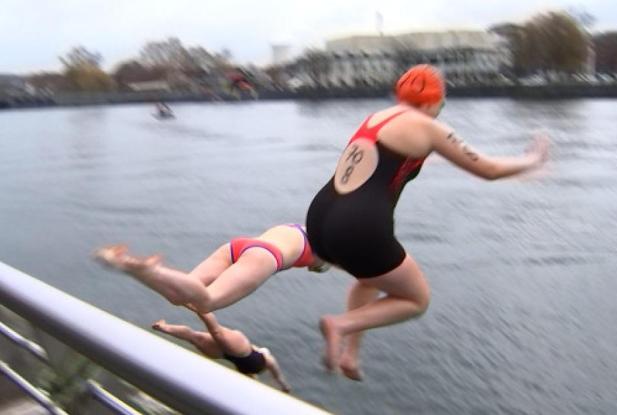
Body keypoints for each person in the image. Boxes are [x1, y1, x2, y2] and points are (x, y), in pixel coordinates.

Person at [306, 64, 550, 380]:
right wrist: (532, 160)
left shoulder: (378, 119)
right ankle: (339, 325)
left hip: (320, 220)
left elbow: (394, 161)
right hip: (359, 229)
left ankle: (350, 355)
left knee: (370, 278)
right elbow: (488, 169)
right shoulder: (427, 126)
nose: (440, 110)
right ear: (433, 102)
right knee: (416, 299)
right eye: (442, 104)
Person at [94, 224, 330, 313]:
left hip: (238, 246)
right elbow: (324, 265)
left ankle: (125, 264)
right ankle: (151, 270)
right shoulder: (329, 250)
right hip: (265, 257)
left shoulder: (302, 227)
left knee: (180, 296)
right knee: (206, 302)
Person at [152, 311, 291, 392]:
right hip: (221, 355)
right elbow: (278, 379)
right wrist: (285, 388)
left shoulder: (267, 360)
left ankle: (193, 302)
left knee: (214, 328)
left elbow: (277, 375)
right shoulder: (247, 372)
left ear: (263, 353)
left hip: (240, 349)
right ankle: (164, 328)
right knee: (193, 337)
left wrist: (284, 385)